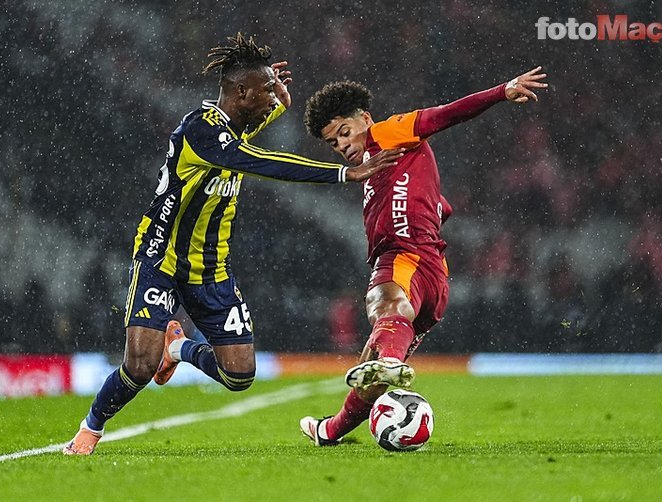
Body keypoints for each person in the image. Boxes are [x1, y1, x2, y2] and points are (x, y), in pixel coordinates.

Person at [63, 33, 401, 455]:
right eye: (264, 90)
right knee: (139, 366)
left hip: (211, 267)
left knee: (239, 375)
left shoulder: (234, 125)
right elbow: (259, 161)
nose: (271, 95)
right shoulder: (201, 130)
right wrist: (343, 173)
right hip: (162, 257)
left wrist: (276, 100)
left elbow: (256, 125)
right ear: (241, 92)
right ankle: (91, 427)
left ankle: (177, 347)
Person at [299, 67, 548, 445]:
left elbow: (444, 114)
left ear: (364, 118)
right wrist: (433, 209)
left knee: (382, 305)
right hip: (432, 275)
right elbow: (437, 203)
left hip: (405, 257)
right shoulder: (373, 166)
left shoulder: (388, 132)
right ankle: (329, 430)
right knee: (370, 365)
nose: (343, 146)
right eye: (334, 143)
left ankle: (391, 363)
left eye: (345, 132)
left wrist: (502, 91)